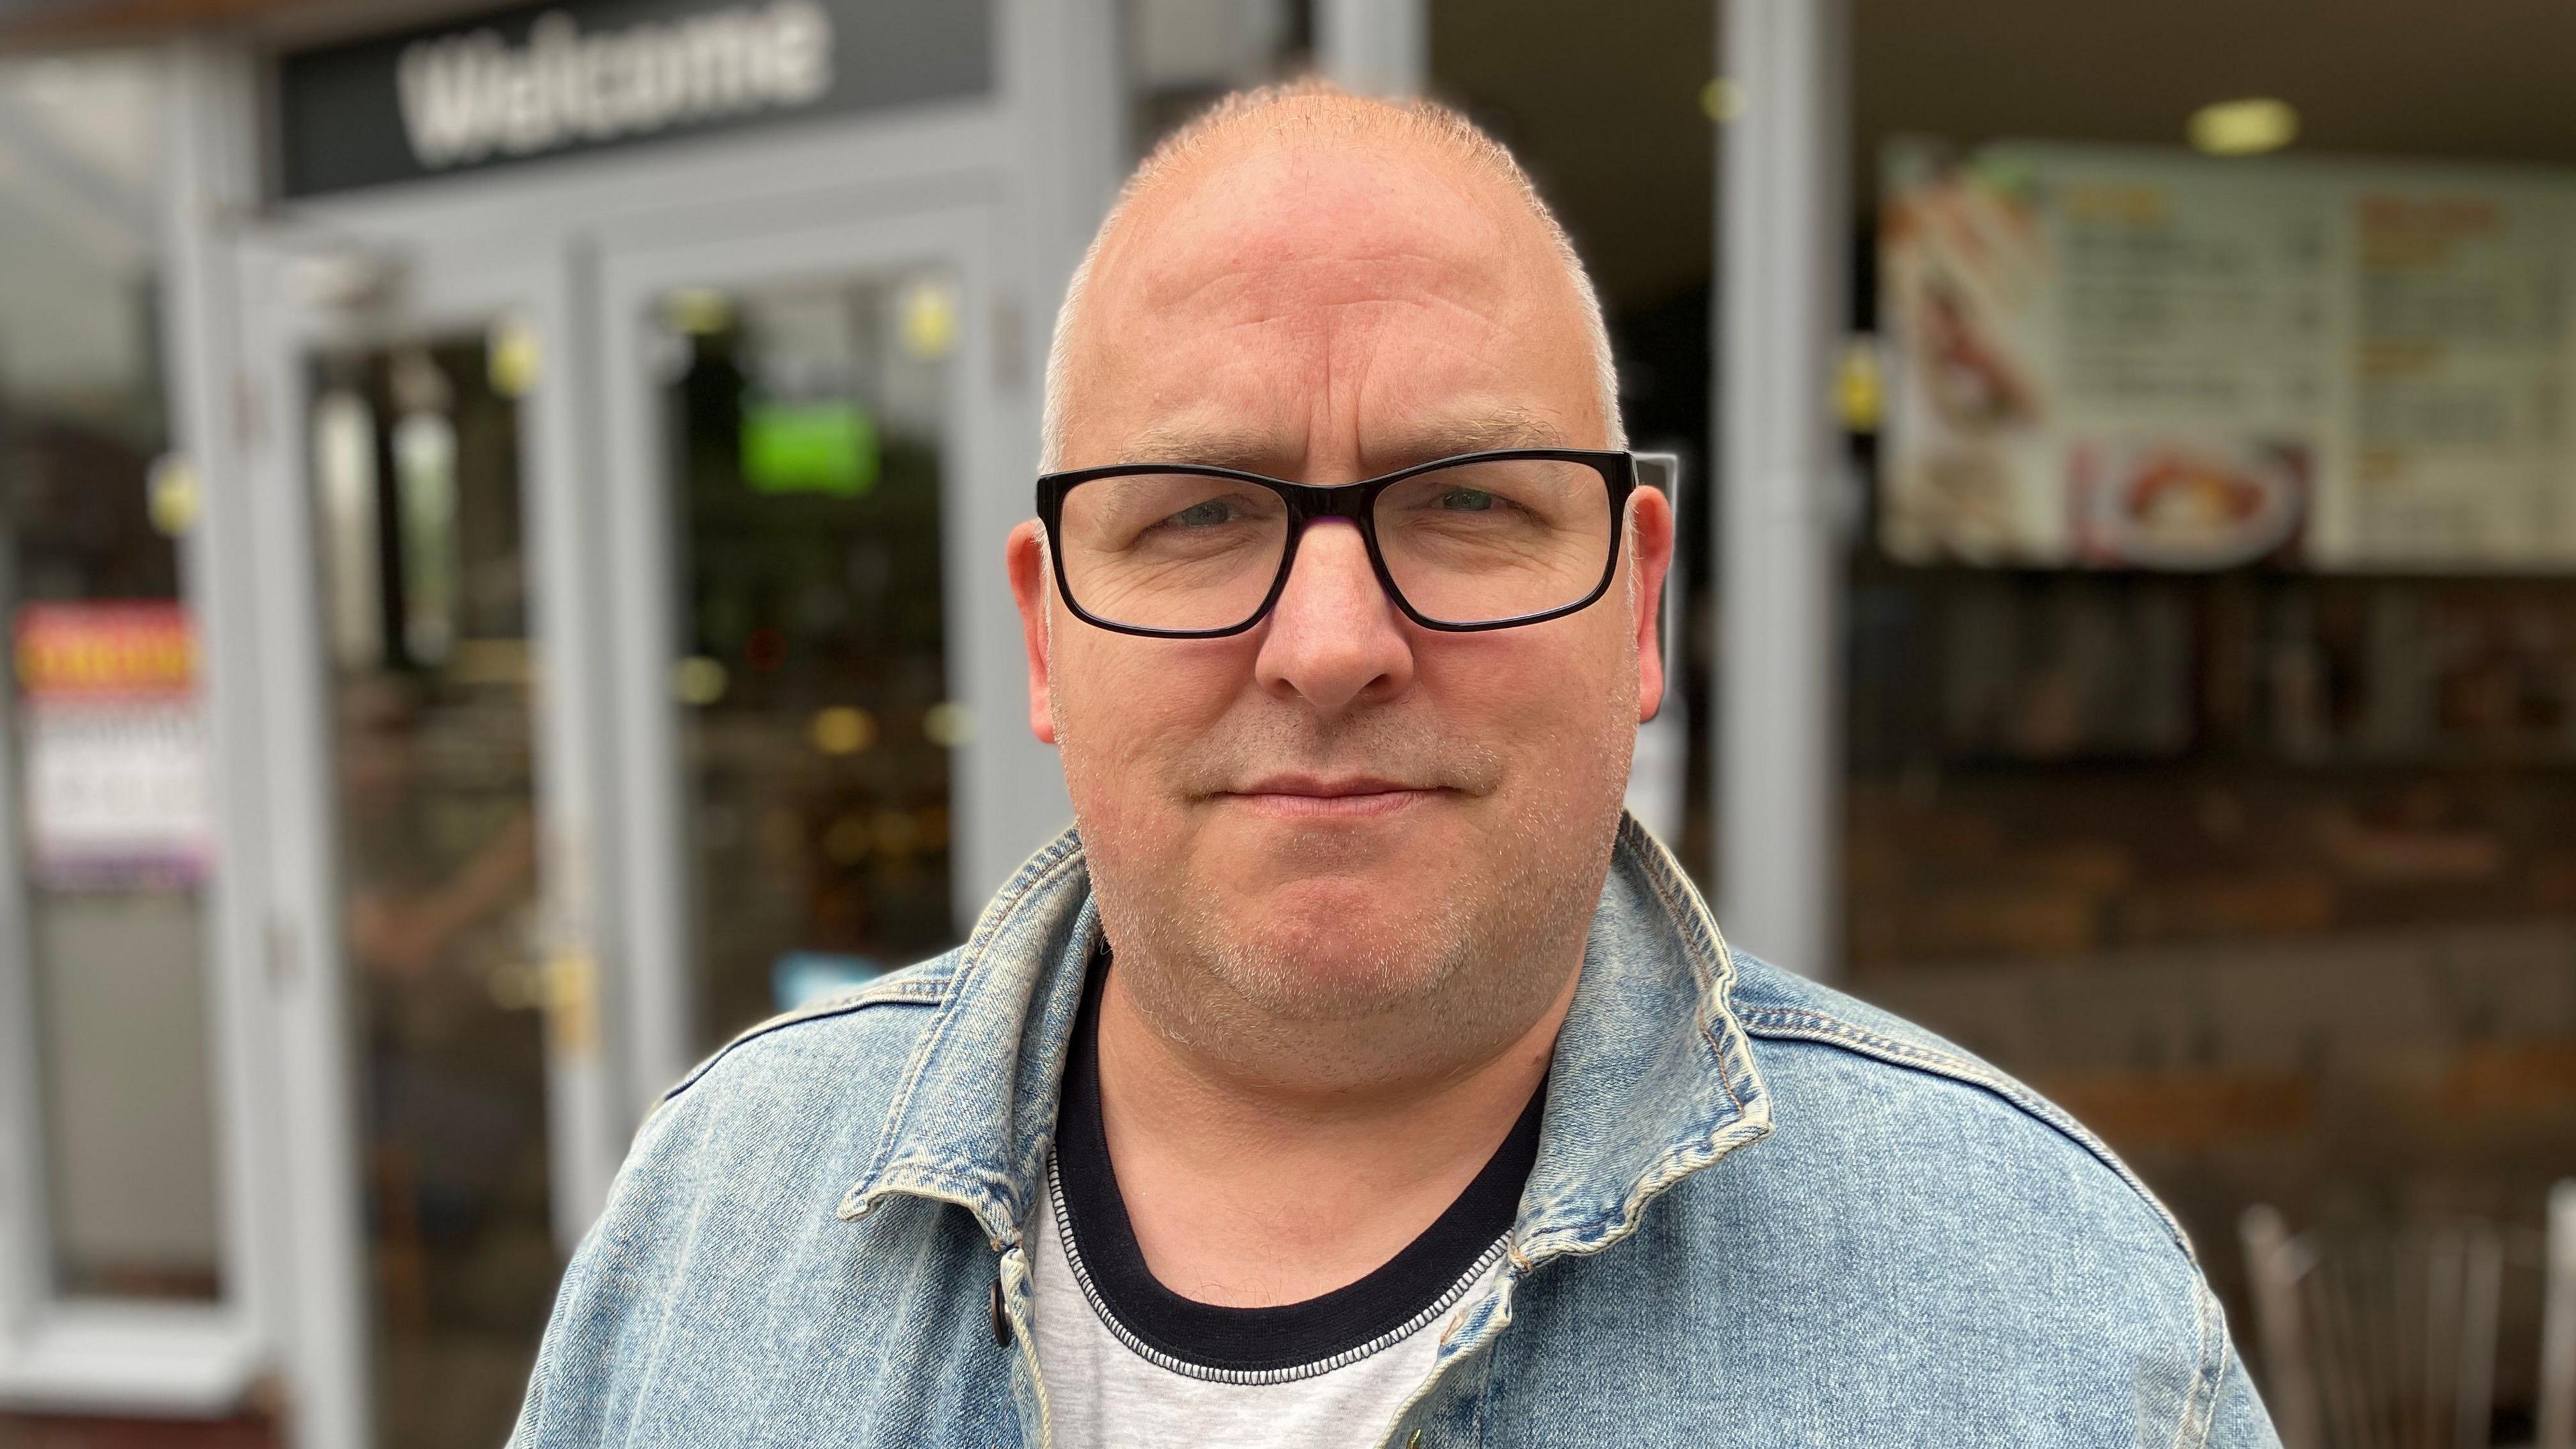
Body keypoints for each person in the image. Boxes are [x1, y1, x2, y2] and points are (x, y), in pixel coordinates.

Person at [509, 82, 2282, 1448]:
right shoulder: (712, 1219)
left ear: (1641, 611)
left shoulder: (2040, 1312)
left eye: (1470, 505)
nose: (1335, 643)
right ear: (1049, 638)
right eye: (1201, 515)